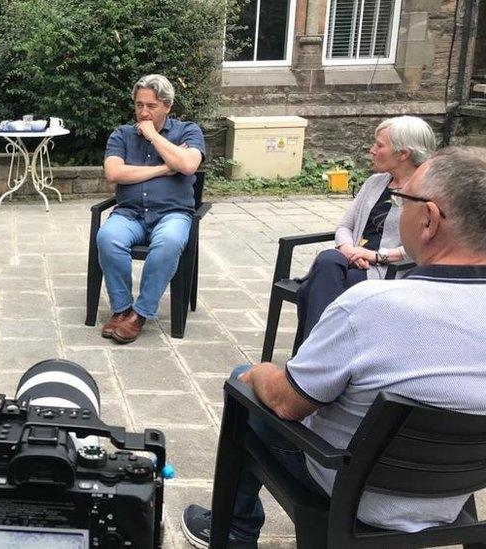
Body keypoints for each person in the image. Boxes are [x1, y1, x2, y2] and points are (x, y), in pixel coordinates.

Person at [181, 146, 486, 548]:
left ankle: (236, 529)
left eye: (403, 200)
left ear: (428, 219)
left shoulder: (372, 308)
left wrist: (260, 372)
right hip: (453, 491)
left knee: (247, 382)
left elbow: (289, 404)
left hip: (355, 489)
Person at [295, 116, 436, 337]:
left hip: (387, 272)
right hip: (350, 261)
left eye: (379, 145)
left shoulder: (425, 193)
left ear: (403, 154)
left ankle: (311, 354)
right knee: (328, 259)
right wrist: (349, 250)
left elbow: (425, 246)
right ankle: (318, 357)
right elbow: (344, 226)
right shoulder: (374, 183)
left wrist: (375, 256)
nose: (371, 150)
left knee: (310, 288)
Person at [98, 74, 206, 344]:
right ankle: (122, 309)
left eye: (151, 106)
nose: (143, 112)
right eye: (138, 105)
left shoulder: (188, 131)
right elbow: (113, 172)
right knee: (107, 237)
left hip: (172, 214)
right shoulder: (121, 135)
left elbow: (188, 165)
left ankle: (140, 313)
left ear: (167, 106)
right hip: (130, 213)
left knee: (169, 242)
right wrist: (163, 168)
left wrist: (153, 136)